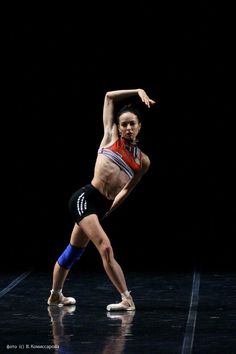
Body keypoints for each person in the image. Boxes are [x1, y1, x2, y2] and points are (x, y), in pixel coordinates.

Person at [47, 88, 156, 311]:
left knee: (73, 251)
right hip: (85, 198)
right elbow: (108, 96)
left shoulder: (143, 161)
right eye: (123, 124)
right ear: (117, 127)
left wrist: (109, 209)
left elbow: (126, 190)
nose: (127, 128)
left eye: (132, 124)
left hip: (101, 206)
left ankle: (55, 296)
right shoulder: (110, 137)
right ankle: (127, 298)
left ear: (139, 126)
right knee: (105, 248)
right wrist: (137, 90)